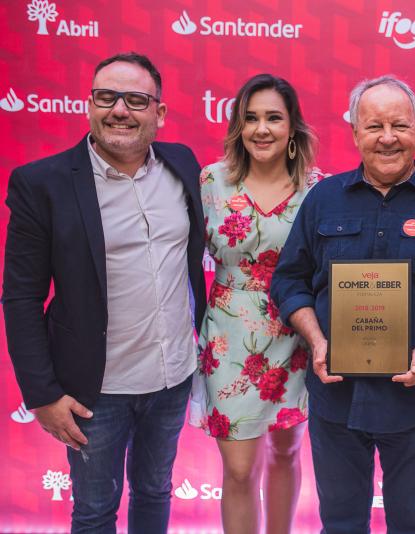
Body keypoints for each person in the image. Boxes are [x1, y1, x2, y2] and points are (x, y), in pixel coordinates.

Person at [270, 75, 415, 533]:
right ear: (355, 132)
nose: (388, 138)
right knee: (340, 523)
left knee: (414, 524)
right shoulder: (323, 199)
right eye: (374, 126)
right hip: (336, 396)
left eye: (400, 125)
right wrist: (316, 340)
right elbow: (289, 281)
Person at [2, 52, 206, 533]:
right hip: (95, 391)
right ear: (89, 105)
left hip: (173, 376)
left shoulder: (182, 164)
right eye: (106, 97)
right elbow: (21, 297)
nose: (119, 110)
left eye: (135, 99)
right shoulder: (42, 184)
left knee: (155, 492)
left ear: (159, 113)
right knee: (94, 512)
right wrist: (42, 394)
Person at [192, 73, 323, 534]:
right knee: (239, 468)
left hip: (296, 332)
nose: (261, 129)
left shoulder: (317, 189)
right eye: (250, 118)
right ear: (238, 126)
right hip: (229, 337)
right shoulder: (211, 181)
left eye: (273, 118)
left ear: (292, 127)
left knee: (287, 451)